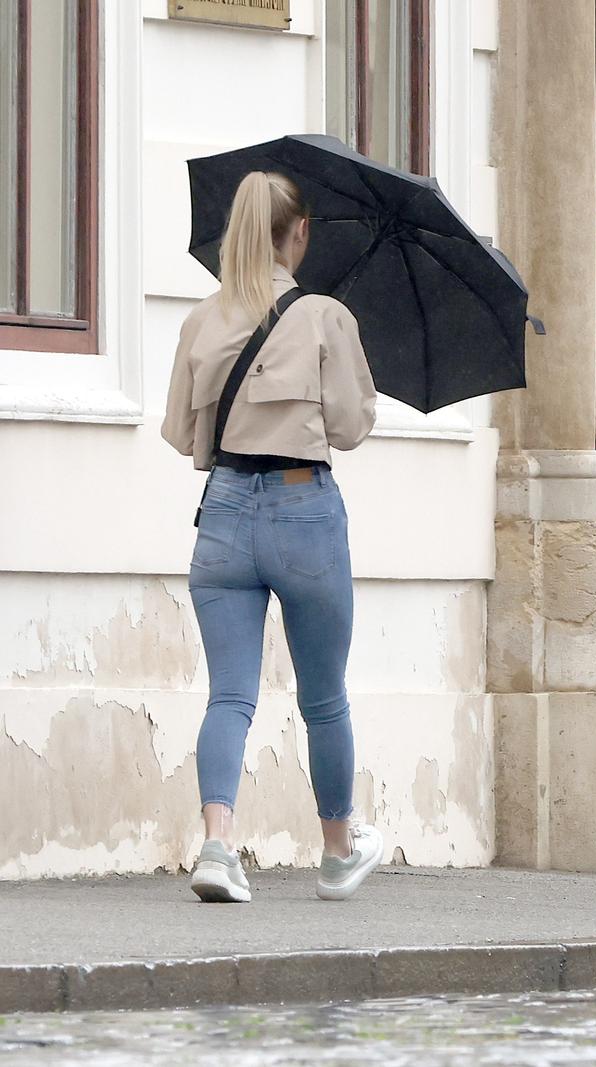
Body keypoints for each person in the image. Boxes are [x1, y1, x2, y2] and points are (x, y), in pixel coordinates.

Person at [162, 171, 382, 903]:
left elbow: (182, 437)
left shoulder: (202, 319)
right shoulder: (324, 315)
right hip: (303, 508)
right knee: (323, 698)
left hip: (222, 508)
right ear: (302, 233)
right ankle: (338, 852)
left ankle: (218, 846)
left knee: (229, 695)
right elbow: (349, 430)